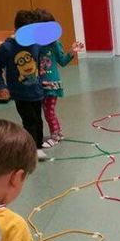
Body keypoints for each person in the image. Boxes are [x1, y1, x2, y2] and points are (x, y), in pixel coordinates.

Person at [0, 10, 52, 161]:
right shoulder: (7, 48)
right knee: (29, 121)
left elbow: (38, 63)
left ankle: (37, 144)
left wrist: (42, 79)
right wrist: (1, 86)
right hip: (20, 93)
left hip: (37, 91)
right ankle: (34, 149)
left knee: (38, 119)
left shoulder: (36, 45)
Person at [35, 8, 84, 143]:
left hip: (51, 84)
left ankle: (56, 133)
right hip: (39, 83)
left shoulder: (55, 44)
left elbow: (62, 61)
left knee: (49, 111)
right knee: (44, 111)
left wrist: (72, 52)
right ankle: (56, 132)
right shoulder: (35, 45)